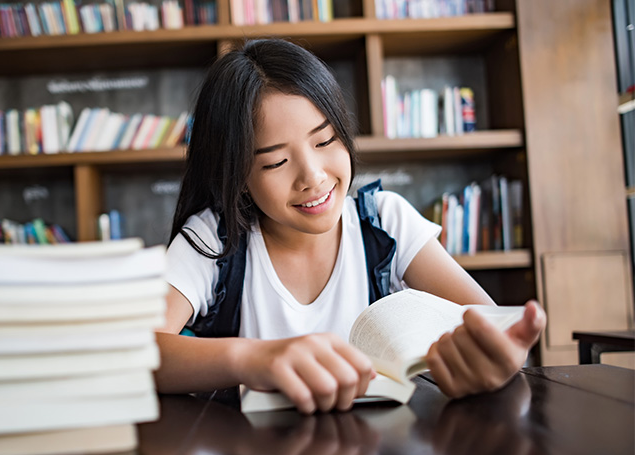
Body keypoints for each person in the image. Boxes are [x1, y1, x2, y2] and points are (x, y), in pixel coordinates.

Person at [156, 38, 546, 414]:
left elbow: (493, 327)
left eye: (325, 141)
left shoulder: (386, 220)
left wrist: (498, 360)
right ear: (238, 175)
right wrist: (255, 357)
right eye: (275, 163)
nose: (312, 176)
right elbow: (140, 352)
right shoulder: (212, 238)